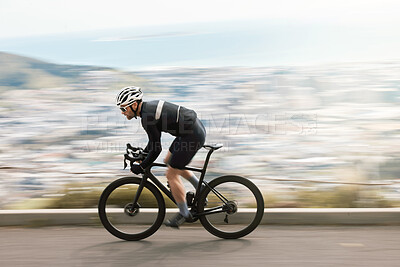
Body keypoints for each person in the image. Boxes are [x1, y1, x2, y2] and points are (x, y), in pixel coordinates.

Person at [116, 86, 206, 228]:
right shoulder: (147, 111)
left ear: (134, 105)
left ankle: (184, 213)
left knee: (171, 173)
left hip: (191, 135)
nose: (122, 112)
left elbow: (156, 148)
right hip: (190, 131)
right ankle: (200, 188)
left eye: (123, 108)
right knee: (168, 161)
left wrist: (142, 166)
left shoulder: (147, 117)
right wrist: (144, 155)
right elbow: (153, 142)